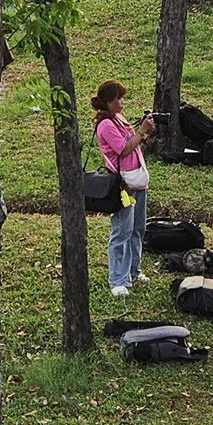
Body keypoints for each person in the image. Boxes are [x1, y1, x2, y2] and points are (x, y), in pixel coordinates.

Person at [92, 80, 152, 299]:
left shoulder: (119, 119)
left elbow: (133, 142)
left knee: (138, 228)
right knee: (122, 231)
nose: (122, 102)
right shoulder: (105, 125)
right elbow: (124, 149)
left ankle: (133, 271)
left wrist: (144, 134)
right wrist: (142, 131)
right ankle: (118, 279)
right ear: (108, 101)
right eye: (118, 98)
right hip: (123, 184)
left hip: (137, 180)